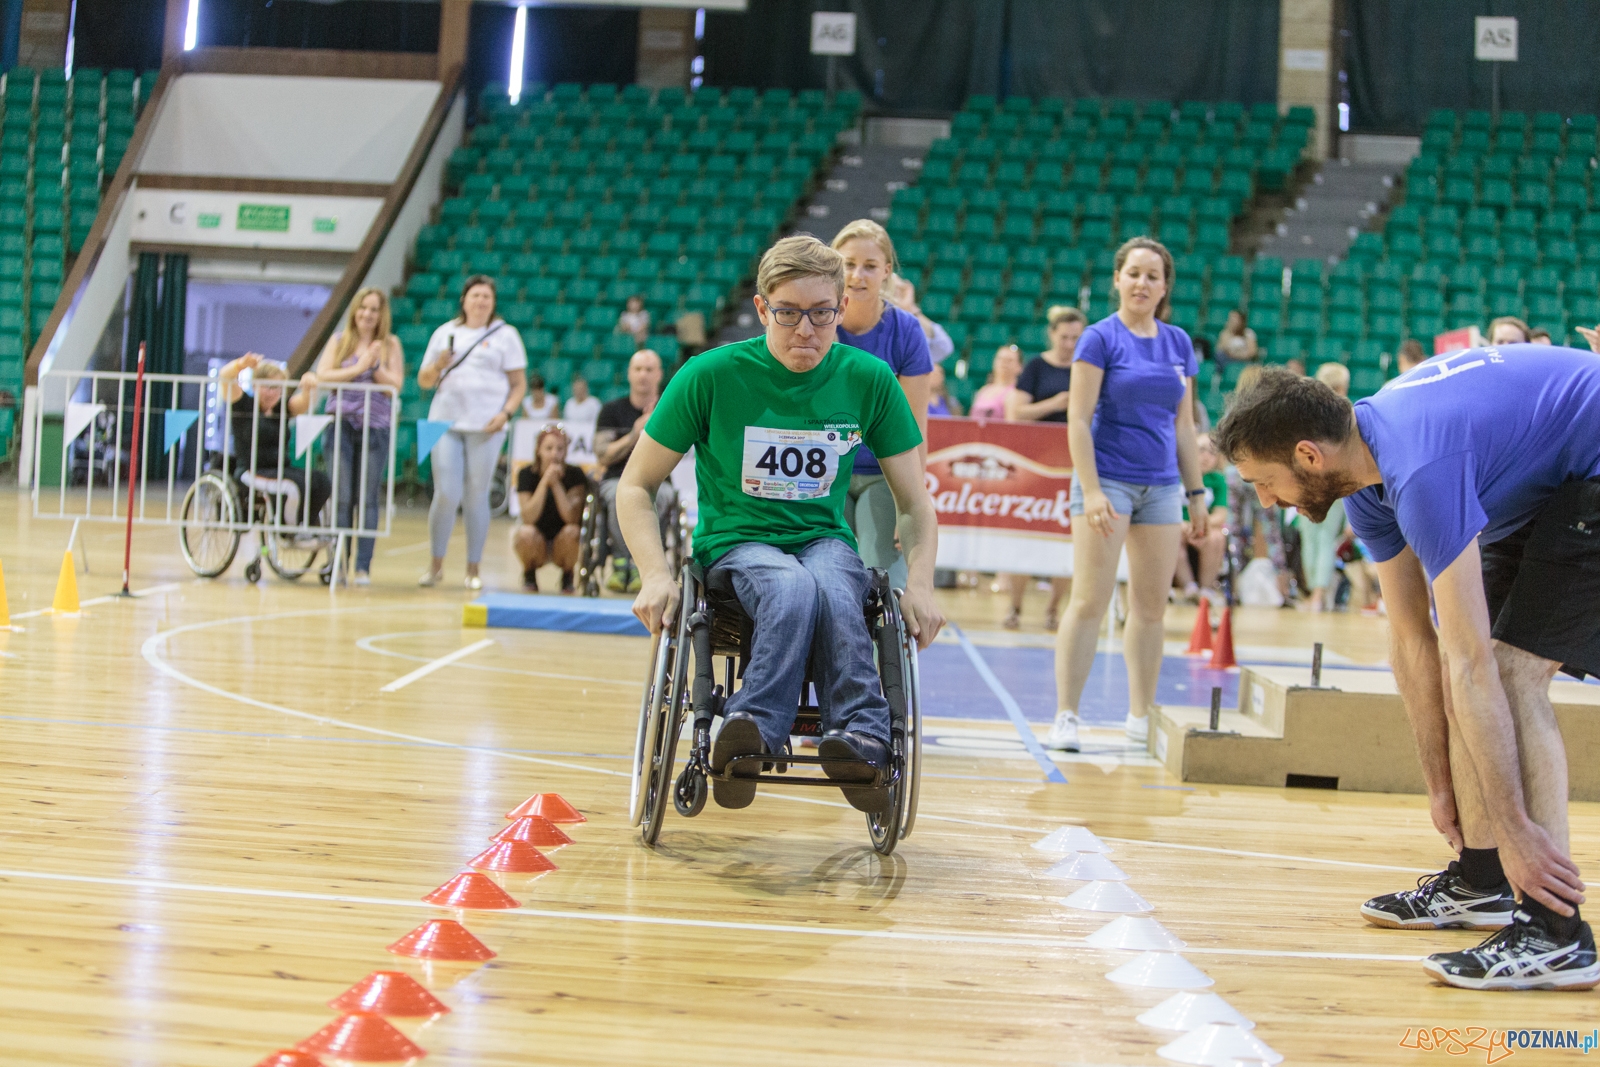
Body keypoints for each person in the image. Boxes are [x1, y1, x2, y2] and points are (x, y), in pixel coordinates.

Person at [1214, 350, 1600, 991]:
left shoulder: (1419, 469)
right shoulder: (1367, 481)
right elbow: (1415, 642)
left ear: (1310, 456)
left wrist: (1517, 830)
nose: (1266, 500)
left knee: (1506, 673)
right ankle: (1483, 880)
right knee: (1473, 665)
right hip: (1549, 480)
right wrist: (1438, 783)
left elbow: (1474, 665)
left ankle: (1554, 930)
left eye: (1264, 482)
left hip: (1590, 472)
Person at [618, 234, 944, 811]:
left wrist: (919, 584)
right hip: (736, 544)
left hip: (822, 539)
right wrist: (653, 574)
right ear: (763, 308)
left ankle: (860, 735)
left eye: (821, 314)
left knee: (834, 582)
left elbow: (915, 502)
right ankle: (752, 728)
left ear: (841, 308)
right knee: (792, 584)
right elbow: (636, 485)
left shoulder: (869, 379)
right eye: (789, 313)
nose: (806, 331)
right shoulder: (709, 375)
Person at [1048, 237, 1206, 752]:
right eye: (1133, 273)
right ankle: (1066, 715)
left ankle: (1140, 715)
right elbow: (1076, 418)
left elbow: (1184, 426)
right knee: (1090, 600)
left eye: (1152, 276)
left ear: (1165, 287)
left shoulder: (1180, 344)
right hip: (1107, 481)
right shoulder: (1099, 339)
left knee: (1152, 608)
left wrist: (1196, 493)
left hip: (1161, 487)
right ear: (1117, 279)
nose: (1142, 283)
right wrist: (1091, 491)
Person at [831, 219, 933, 591]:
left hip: (884, 474)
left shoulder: (906, 331)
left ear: (887, 271)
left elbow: (915, 426)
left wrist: (912, 502)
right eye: (848, 263)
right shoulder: (819, 324)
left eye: (870, 266)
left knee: (883, 585)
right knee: (828, 580)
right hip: (826, 472)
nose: (858, 275)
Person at [416, 274, 528, 590]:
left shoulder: (506, 335)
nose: (480, 301)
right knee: (447, 493)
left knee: (477, 495)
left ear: (493, 303)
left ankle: (473, 568)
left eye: (486, 297)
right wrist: (438, 365)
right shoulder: (444, 333)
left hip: (487, 424)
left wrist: (505, 412)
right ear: (463, 299)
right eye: (475, 295)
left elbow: (518, 384)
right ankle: (435, 566)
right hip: (443, 421)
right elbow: (424, 381)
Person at [314, 287, 404, 585]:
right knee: (341, 496)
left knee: (367, 498)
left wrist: (374, 367)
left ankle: (363, 567)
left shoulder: (390, 344)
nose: (368, 314)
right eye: (363, 308)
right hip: (340, 423)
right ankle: (337, 563)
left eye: (374, 309)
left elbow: (395, 384)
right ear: (355, 310)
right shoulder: (339, 341)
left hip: (375, 427)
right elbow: (323, 375)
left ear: (382, 314)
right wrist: (359, 367)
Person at [595, 349, 677, 593]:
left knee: (661, 497)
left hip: (657, 479)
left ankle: (646, 565)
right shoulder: (611, 410)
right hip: (616, 478)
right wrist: (634, 434)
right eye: (638, 369)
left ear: (659, 375)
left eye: (649, 369)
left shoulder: (670, 408)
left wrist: (654, 430)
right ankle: (622, 563)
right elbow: (602, 453)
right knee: (617, 494)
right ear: (629, 374)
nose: (643, 375)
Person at [219, 353, 330, 527]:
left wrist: (309, 385)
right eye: (268, 386)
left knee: (321, 480)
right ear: (255, 385)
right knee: (294, 485)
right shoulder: (242, 404)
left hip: (280, 468)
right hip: (251, 470)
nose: (272, 392)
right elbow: (225, 376)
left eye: (277, 387)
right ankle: (290, 530)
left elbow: (303, 403)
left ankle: (307, 523)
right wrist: (240, 364)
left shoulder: (282, 407)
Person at [1294, 362, 1353, 612]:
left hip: (1308, 481)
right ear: (1340, 387)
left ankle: (1314, 594)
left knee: (1311, 539)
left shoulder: (1305, 413)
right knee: (1326, 539)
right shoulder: (1347, 413)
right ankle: (1319, 594)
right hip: (1334, 482)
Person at [512, 424, 587, 592]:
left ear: (566, 451)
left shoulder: (575, 474)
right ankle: (529, 572)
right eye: (549, 448)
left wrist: (556, 485)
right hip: (537, 542)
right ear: (539, 450)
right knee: (525, 533)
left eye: (560, 449)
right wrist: (544, 482)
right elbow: (528, 517)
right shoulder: (526, 474)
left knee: (572, 532)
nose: (555, 454)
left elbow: (571, 518)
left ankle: (567, 574)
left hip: (562, 541)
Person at [1174, 432, 1229, 605]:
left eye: (1212, 452)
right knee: (1171, 535)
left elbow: (1220, 515)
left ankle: (1206, 590)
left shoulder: (1218, 480)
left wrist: (1200, 526)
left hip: (1205, 527)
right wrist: (1184, 525)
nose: (1206, 456)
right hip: (1178, 524)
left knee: (1216, 538)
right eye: (1202, 450)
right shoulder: (1175, 475)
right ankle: (1189, 587)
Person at [1007, 305, 1081, 423]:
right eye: (1064, 337)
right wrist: (1054, 404)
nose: (1069, 344)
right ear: (1052, 333)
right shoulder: (1036, 365)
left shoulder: (1086, 367)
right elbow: (1017, 413)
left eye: (1075, 338)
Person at [969, 344, 1021, 420]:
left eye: (1009, 360)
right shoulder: (983, 390)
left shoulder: (1016, 393)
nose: (1004, 363)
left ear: (1019, 367)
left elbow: (1011, 426)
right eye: (1000, 359)